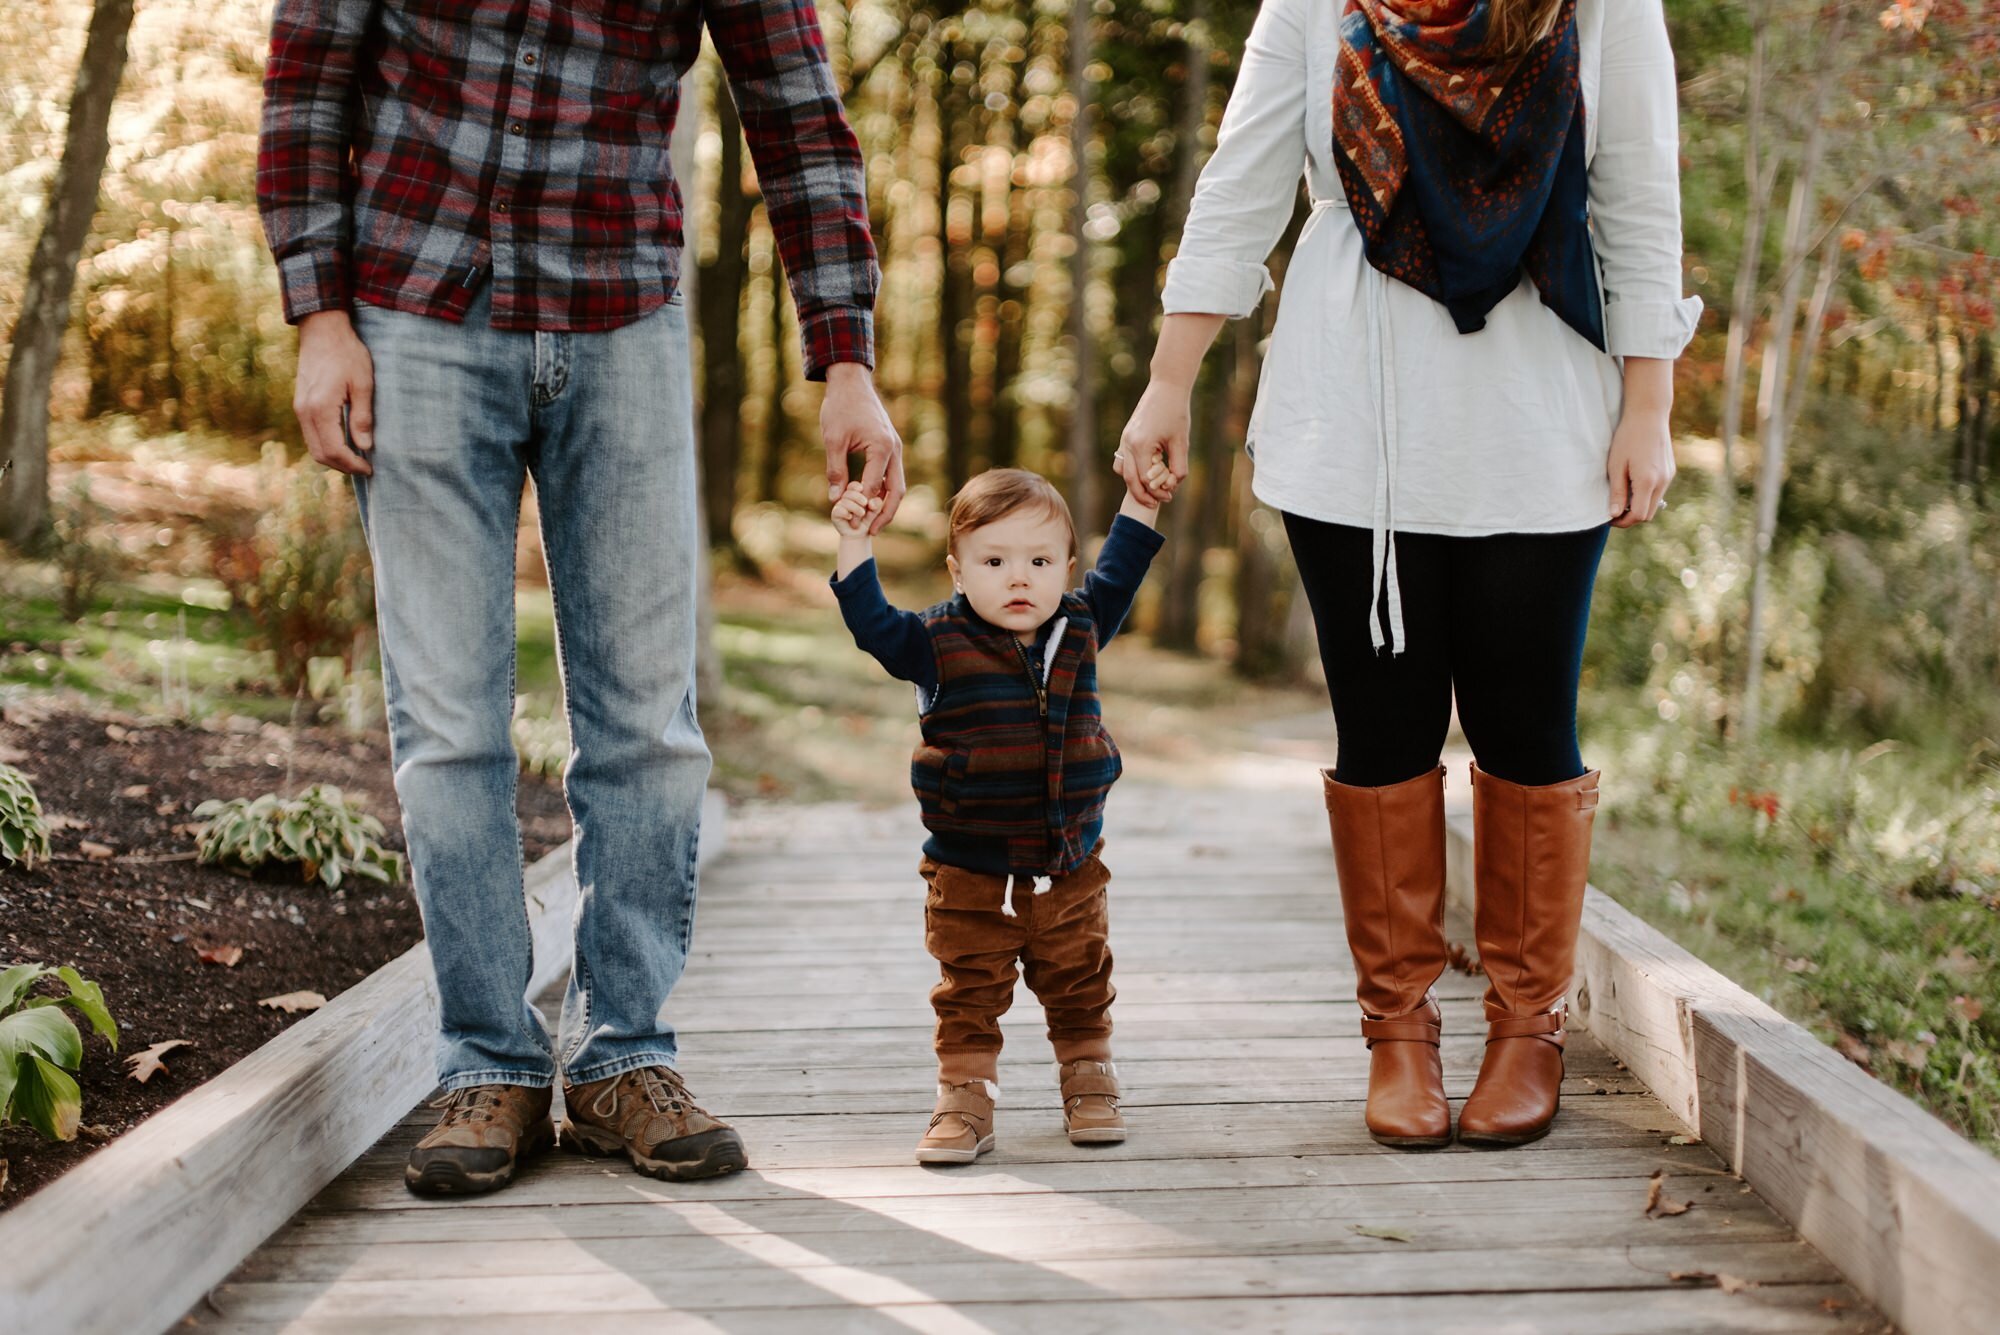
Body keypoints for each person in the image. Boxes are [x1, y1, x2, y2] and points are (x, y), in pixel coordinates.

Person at [256, 0, 902, 1195]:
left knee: (647, 728)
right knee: (447, 728)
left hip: (623, 317)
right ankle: (485, 1064)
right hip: (414, 305)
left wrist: (845, 359)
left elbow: (798, 109)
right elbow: (308, 81)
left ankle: (623, 1057)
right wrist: (320, 314)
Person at [1118, 0, 1700, 1149]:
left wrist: (1649, 403)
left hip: (1541, 416)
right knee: (1380, 731)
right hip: (1353, 420)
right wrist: (1168, 378)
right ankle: (1397, 1034)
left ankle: (1525, 1029)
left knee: (1524, 728)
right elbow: (1241, 179)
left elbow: (1637, 188)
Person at [827, 463, 1167, 1163]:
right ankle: (964, 1096)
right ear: (958, 571)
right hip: (969, 870)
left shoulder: (1081, 623)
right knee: (969, 988)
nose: (1019, 578)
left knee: (1079, 976)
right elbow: (869, 624)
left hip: (1068, 862)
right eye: (994, 560)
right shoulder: (934, 642)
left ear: (1067, 567)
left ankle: (1089, 1077)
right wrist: (854, 541)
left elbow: (1127, 565)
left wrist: (1141, 498)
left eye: (1039, 561)